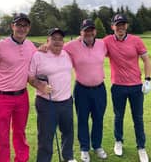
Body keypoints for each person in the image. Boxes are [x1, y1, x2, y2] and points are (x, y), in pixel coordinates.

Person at [39, 19, 108, 162]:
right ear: (81, 32)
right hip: (82, 89)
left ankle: (97, 146)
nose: (89, 33)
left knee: (98, 119)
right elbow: (56, 46)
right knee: (82, 119)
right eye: (85, 30)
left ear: (95, 31)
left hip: (100, 89)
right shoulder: (71, 46)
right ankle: (84, 148)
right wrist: (45, 46)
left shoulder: (103, 44)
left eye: (91, 30)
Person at [0, 13, 37, 162]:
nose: (21, 28)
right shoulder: (0, 46)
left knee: (20, 133)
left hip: (22, 96)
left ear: (29, 28)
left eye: (25, 25)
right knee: (1, 135)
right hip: (2, 97)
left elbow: (39, 58)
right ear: (12, 26)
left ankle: (22, 159)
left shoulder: (30, 45)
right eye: (18, 25)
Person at [103, 14, 151, 162]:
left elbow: (146, 60)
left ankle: (141, 147)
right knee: (118, 116)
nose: (120, 27)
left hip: (136, 87)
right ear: (112, 27)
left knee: (138, 118)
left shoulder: (136, 40)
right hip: (118, 86)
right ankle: (118, 141)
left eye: (123, 24)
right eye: (117, 25)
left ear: (127, 26)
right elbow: (90, 47)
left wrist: (148, 79)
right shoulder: (107, 41)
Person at [28, 28, 77, 162]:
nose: (57, 41)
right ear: (47, 40)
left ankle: (68, 157)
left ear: (63, 42)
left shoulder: (67, 54)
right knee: (46, 136)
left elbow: (81, 40)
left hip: (66, 101)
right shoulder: (38, 55)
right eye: (53, 39)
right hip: (46, 103)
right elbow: (30, 77)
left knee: (68, 132)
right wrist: (41, 86)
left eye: (60, 39)